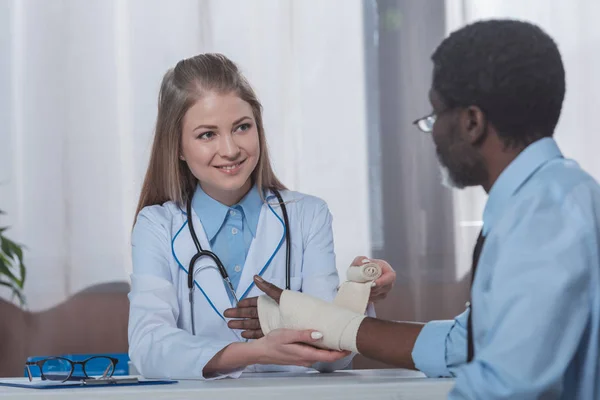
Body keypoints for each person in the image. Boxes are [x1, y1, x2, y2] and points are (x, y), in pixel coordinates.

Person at [230, 19, 600, 399]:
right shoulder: (548, 198)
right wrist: (321, 320)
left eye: (436, 115)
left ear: (472, 122)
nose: (434, 132)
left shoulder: (545, 217)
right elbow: (464, 344)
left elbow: (507, 386)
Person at [127, 53, 396, 380]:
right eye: (207, 135)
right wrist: (255, 352)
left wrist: (359, 293)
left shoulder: (308, 216)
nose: (230, 149)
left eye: (242, 127)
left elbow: (333, 357)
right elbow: (147, 346)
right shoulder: (156, 226)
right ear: (179, 148)